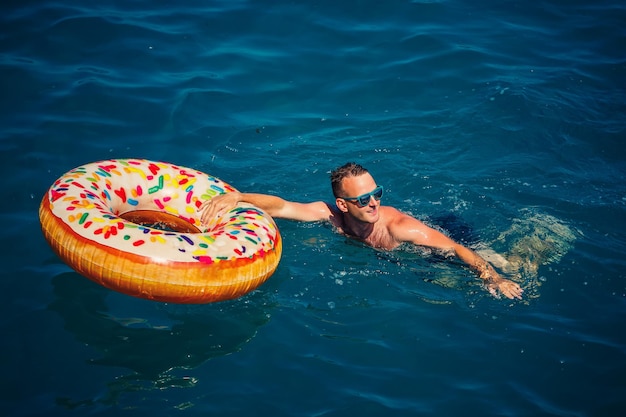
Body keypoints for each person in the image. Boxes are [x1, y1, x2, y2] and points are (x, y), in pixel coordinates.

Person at [199, 162, 523, 300]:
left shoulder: (399, 227)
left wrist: (490, 276)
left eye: (377, 193)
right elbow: (282, 206)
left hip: (441, 241)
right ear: (342, 204)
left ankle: (542, 238)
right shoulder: (329, 215)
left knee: (510, 268)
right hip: (412, 253)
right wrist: (239, 197)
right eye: (363, 199)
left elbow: (453, 249)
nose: (373, 203)